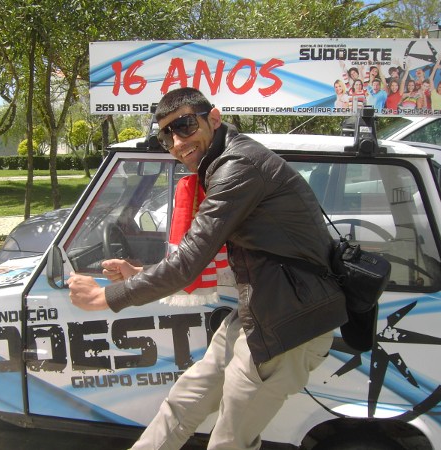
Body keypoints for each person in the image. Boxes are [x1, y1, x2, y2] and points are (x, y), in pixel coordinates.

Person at [67, 87, 347, 450]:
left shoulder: (238, 167)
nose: (177, 143)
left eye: (184, 126)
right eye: (165, 136)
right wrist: (139, 273)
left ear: (213, 118)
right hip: (257, 313)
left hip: (288, 328)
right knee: (181, 404)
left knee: (229, 442)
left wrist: (104, 297)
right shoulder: (224, 162)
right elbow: (206, 260)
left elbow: (188, 263)